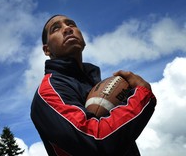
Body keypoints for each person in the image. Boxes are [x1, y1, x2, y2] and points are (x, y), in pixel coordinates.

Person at [30, 15, 156, 156]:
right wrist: (142, 95)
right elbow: (97, 141)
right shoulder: (49, 91)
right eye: (56, 28)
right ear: (47, 50)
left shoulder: (95, 85)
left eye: (71, 24)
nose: (67, 29)